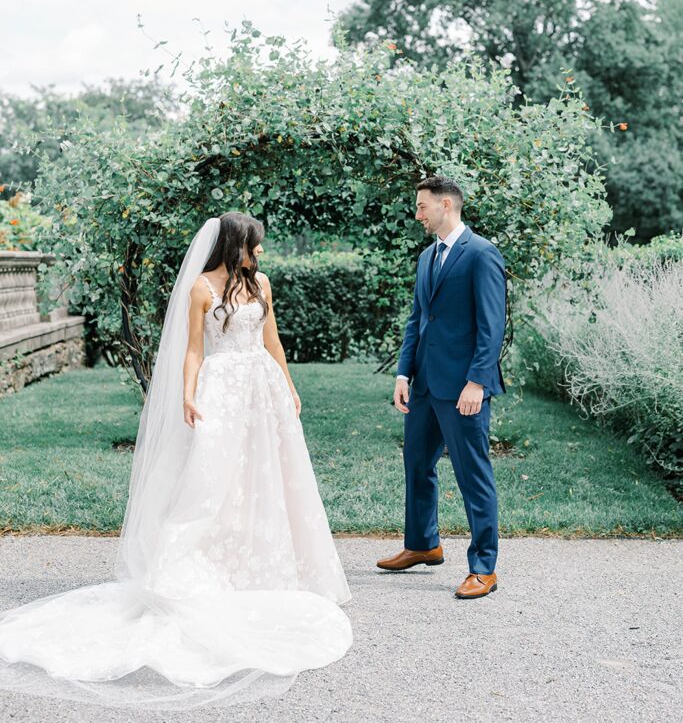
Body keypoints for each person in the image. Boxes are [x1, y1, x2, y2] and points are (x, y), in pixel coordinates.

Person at [0, 212, 352, 711]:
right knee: (214, 481)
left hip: (261, 389)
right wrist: (189, 395)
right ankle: (206, 558)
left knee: (271, 476)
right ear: (236, 245)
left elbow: (271, 340)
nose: (262, 253)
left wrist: (289, 386)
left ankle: (269, 559)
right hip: (223, 390)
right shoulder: (202, 290)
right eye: (256, 245)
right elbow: (192, 351)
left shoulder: (263, 284)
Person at [377, 177, 507, 599]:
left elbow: (492, 328)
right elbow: (418, 319)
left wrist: (477, 382)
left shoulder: (482, 255)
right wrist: (402, 374)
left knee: (473, 475)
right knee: (417, 464)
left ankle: (483, 567)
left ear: (445, 205)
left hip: (464, 388)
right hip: (426, 386)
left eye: (422, 207)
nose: (417, 215)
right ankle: (423, 545)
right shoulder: (426, 257)